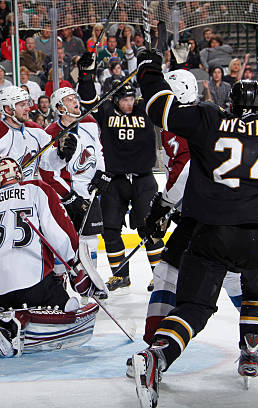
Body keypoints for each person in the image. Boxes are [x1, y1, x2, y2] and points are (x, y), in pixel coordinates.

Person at [131, 50, 258, 407]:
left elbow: (159, 109)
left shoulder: (210, 121)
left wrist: (149, 68)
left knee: (193, 306)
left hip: (214, 233)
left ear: (231, 102)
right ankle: (254, 346)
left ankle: (158, 356)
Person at [140, 69, 258, 358]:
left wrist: (164, 203)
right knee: (234, 277)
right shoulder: (205, 117)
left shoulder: (193, 120)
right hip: (220, 215)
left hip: (206, 217)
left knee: (169, 273)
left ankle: (156, 343)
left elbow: (190, 170)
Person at [0, 156, 99, 313]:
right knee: (68, 306)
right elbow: (59, 235)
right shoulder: (37, 189)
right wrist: (75, 266)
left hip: (0, 293)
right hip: (36, 286)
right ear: (20, 175)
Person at [76, 52, 164, 292]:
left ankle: (159, 275)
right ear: (115, 100)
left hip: (144, 179)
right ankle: (120, 275)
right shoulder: (106, 113)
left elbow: (164, 97)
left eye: (131, 98)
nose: (129, 102)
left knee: (150, 226)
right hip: (115, 180)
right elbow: (88, 101)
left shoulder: (145, 109)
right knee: (111, 228)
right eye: (124, 99)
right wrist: (85, 76)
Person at [41, 87, 112, 276]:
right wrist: (68, 196)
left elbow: (99, 152)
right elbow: (47, 172)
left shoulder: (89, 122)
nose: (75, 101)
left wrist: (101, 174)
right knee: (61, 240)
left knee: (90, 241)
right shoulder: (50, 132)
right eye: (70, 99)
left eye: (75, 98)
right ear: (59, 107)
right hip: (64, 196)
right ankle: (59, 285)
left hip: (89, 192)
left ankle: (90, 285)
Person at [0, 86, 77, 191]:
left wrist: (61, 154)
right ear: (7, 109)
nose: (28, 108)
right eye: (22, 105)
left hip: (26, 198)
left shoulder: (36, 131)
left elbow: (48, 163)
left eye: (28, 104)